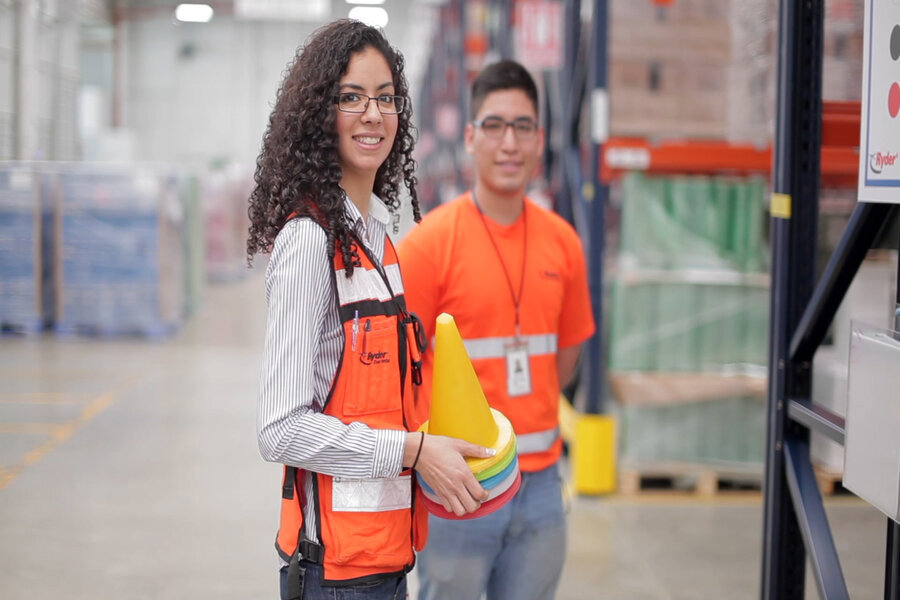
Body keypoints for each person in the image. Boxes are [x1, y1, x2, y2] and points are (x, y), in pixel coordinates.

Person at [247, 20, 493, 600]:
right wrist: (412, 452)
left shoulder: (378, 239)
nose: (373, 114)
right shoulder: (310, 243)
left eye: (385, 98)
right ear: (318, 115)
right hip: (334, 575)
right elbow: (279, 430)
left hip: (384, 560)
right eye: (351, 98)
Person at [397, 60, 596, 600]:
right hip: (460, 487)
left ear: (540, 140)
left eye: (522, 126)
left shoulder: (563, 244)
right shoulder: (429, 246)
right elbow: (400, 371)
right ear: (469, 137)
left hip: (541, 490)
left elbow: (568, 353)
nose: (509, 142)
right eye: (493, 125)